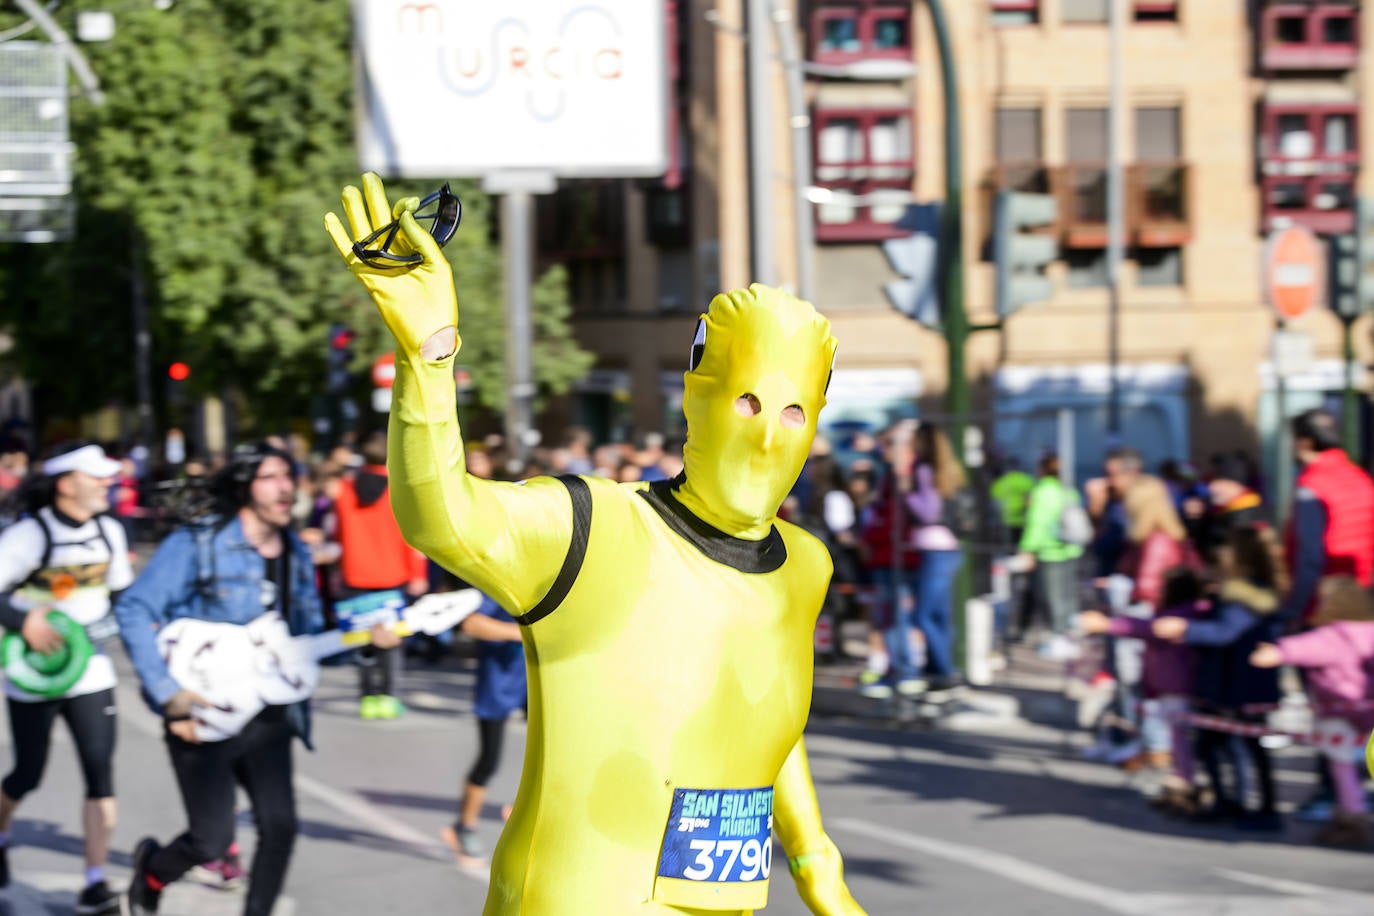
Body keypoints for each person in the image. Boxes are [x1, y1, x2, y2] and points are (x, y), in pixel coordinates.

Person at [327, 172, 863, 914]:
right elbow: (440, 515)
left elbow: (764, 708)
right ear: (697, 392)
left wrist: (816, 866)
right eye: (748, 399)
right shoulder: (592, 526)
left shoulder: (805, 564)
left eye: (796, 412)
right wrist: (430, 356)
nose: (769, 431)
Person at [116, 442, 398, 916]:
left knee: (280, 825)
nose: (285, 486)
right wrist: (168, 696)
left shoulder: (295, 552)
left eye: (289, 475)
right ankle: (151, 870)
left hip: (268, 710)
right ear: (245, 485)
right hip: (201, 706)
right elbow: (134, 607)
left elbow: (304, 644)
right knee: (210, 842)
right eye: (270, 476)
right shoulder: (200, 541)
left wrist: (366, 642)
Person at [0, 444, 131, 915]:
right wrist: (22, 620)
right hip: (34, 676)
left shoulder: (110, 532)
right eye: (94, 476)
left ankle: (95, 881)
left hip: (91, 673)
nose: (106, 483)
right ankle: (1, 832)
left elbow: (122, 598)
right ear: (65, 483)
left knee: (100, 772)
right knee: (27, 773)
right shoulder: (29, 536)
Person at [1153, 524, 1284, 830]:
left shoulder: (1242, 597)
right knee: (1222, 743)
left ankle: (1259, 807)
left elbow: (1225, 632)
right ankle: (1237, 802)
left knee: (1240, 744)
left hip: (1240, 682)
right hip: (1236, 680)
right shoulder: (1251, 592)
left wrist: (1185, 629)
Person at [1252, 577, 1374, 848]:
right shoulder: (1369, 630)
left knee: (1342, 767)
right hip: (1365, 709)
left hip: (1341, 712)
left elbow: (1305, 648)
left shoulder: (1335, 634)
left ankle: (1353, 817)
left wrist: (1278, 652)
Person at [332, 430, 429, 719]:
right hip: (392, 575)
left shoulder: (344, 490)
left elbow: (337, 533)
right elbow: (411, 537)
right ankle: (388, 697)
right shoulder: (400, 490)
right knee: (390, 641)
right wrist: (417, 573)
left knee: (363, 638)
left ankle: (367, 698)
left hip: (354, 574)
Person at [440, 593, 526, 862]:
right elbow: (471, 623)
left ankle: (525, 812)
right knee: (489, 761)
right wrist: (521, 633)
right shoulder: (500, 585)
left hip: (536, 681)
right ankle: (464, 827)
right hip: (498, 681)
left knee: (555, 755)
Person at [1017, 454, 1083, 653]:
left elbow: (1037, 523)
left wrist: (1027, 548)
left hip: (1050, 552)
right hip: (1070, 550)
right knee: (1067, 596)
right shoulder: (1068, 490)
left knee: (1052, 598)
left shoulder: (1043, 491)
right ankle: (1068, 635)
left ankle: (1059, 636)